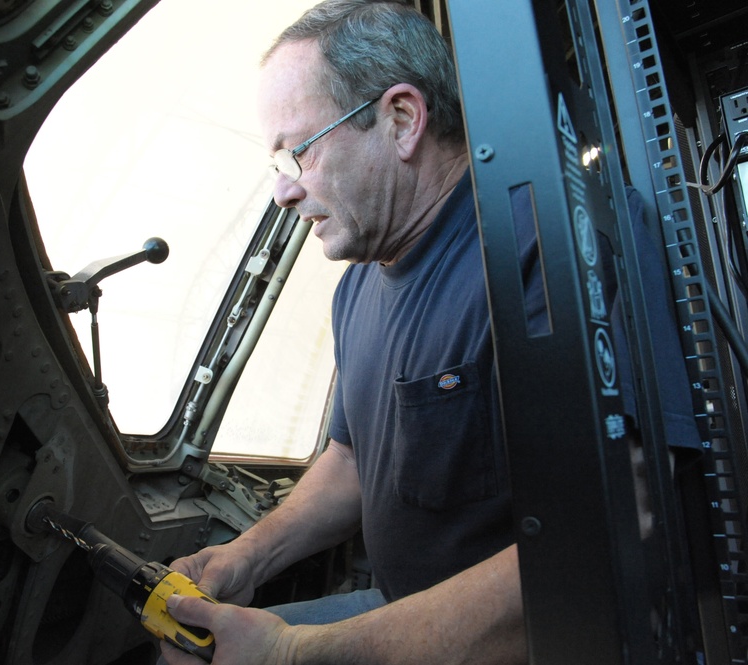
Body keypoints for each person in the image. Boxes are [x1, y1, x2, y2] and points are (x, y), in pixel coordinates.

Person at [160, 1, 697, 663]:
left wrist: (296, 654)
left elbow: (626, 522)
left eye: (298, 153)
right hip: (398, 611)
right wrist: (247, 556)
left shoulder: (553, 242)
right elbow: (351, 461)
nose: (282, 191)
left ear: (403, 120)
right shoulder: (356, 289)